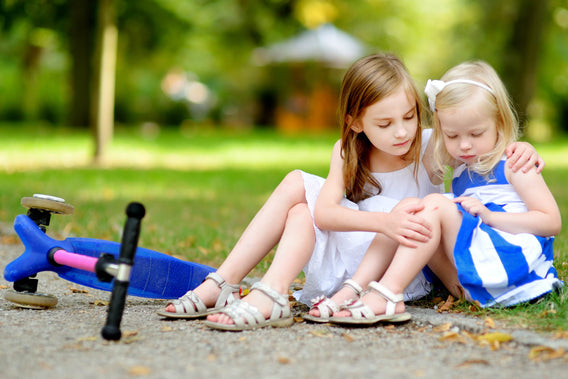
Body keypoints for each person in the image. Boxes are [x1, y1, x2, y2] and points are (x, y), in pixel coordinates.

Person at [157, 54, 542, 331]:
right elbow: (324, 214)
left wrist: (522, 147)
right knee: (297, 197)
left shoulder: (431, 145)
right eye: (385, 123)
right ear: (355, 122)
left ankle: (237, 288)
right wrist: (383, 221)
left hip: (396, 265)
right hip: (349, 257)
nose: (402, 132)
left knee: (306, 189)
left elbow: (478, 140)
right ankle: (242, 286)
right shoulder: (346, 152)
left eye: (409, 116)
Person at [329, 60, 561, 325]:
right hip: (472, 280)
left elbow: (551, 222)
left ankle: (389, 292)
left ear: (499, 121)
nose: (464, 145)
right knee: (412, 211)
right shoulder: (462, 170)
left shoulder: (514, 163)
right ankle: (362, 287)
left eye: (476, 133)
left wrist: (491, 217)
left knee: (434, 204)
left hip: (510, 267)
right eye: (451, 135)